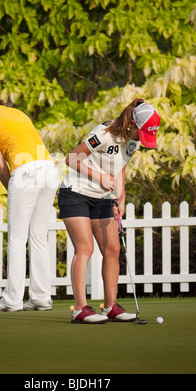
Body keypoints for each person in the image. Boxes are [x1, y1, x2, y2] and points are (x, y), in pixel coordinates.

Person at [58, 98, 160, 324]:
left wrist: (121, 198)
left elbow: (120, 168)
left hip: (102, 197)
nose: (141, 140)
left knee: (113, 249)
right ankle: (80, 309)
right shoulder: (104, 133)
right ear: (132, 124)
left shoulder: (133, 141)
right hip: (75, 193)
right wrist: (100, 177)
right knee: (85, 247)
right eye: (141, 133)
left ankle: (110, 306)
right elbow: (71, 158)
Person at [0, 94, 59, 312]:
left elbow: (0, 164)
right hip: (49, 170)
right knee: (39, 236)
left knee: (17, 238)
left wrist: (12, 189)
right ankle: (41, 298)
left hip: (26, 172)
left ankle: (12, 300)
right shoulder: (18, 113)